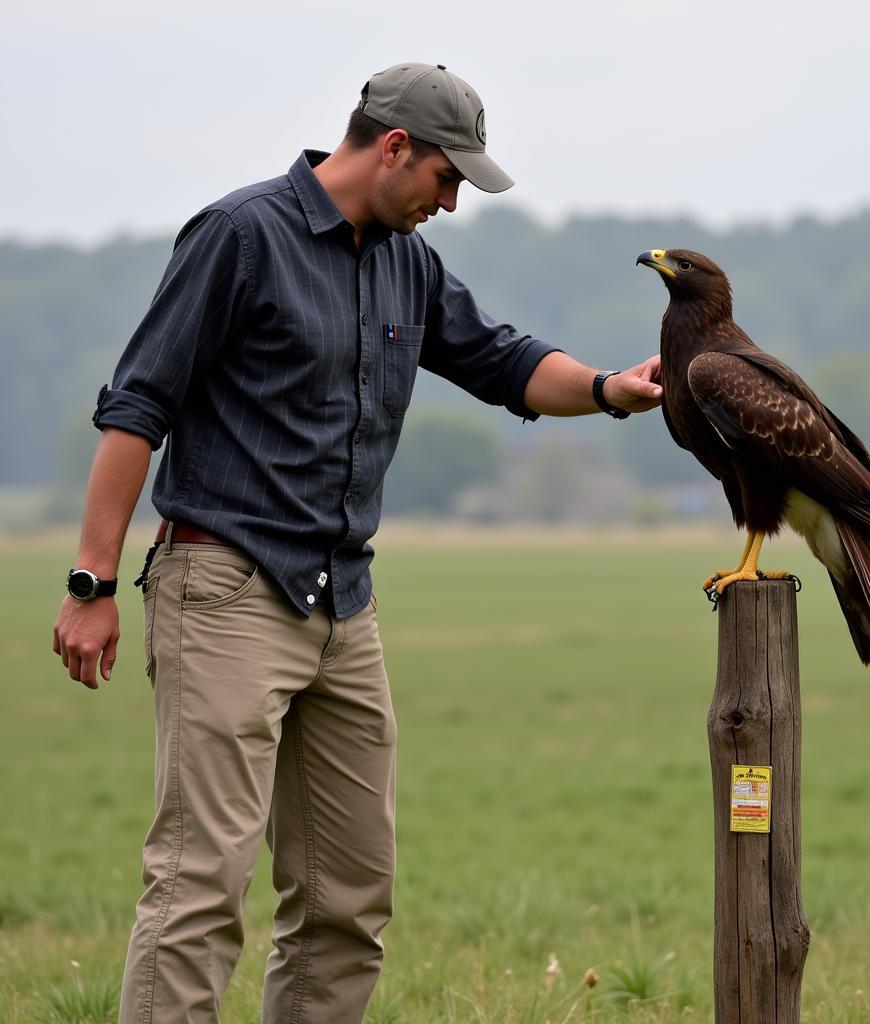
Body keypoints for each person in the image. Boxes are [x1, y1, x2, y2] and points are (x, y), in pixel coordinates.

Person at [52, 62, 663, 1023]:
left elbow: (498, 358)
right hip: (222, 588)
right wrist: (90, 581)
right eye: (446, 178)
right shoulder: (240, 236)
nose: (452, 202)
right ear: (392, 147)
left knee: (347, 899)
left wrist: (605, 388)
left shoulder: (403, 260)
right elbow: (137, 409)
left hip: (344, 606)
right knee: (200, 888)